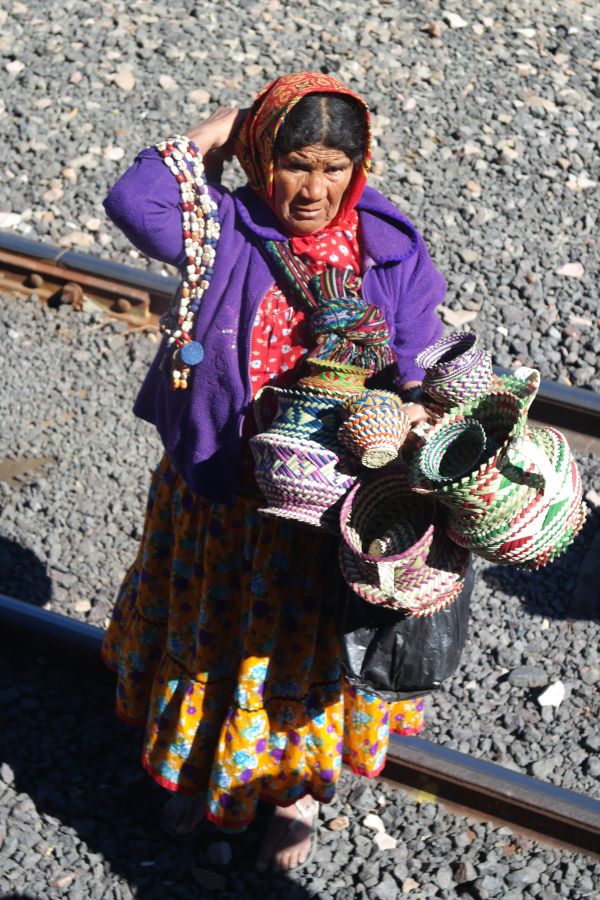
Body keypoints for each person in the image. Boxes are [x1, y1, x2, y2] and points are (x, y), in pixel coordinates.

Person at [101, 71, 445, 872]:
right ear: (260, 159)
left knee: (299, 652)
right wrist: (225, 123)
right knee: (212, 634)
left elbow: (422, 350)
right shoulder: (223, 226)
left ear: (359, 166)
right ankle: (198, 769)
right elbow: (135, 199)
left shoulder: (387, 245)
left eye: (334, 168)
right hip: (224, 493)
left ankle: (292, 790)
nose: (313, 190)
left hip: (331, 511)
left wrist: (419, 406)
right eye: (295, 164)